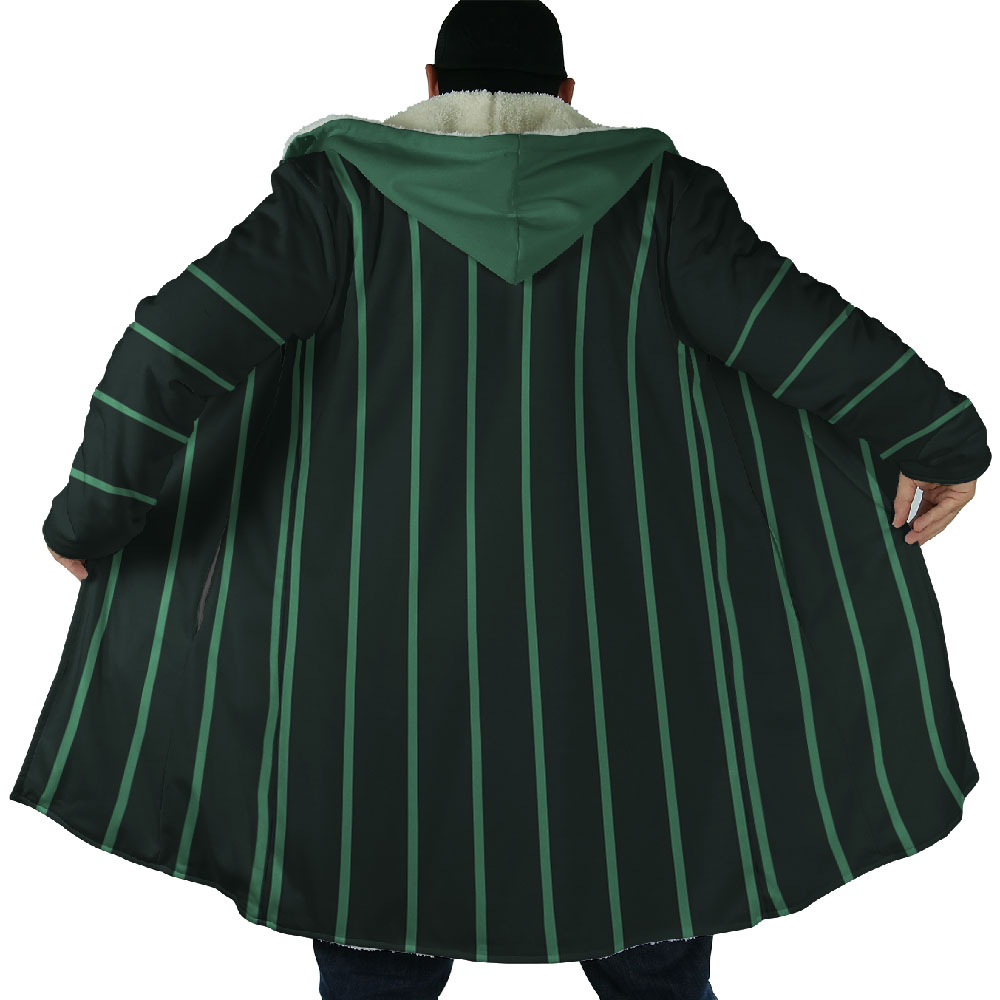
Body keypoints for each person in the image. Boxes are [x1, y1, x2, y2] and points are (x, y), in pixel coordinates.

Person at [12, 1, 988, 999]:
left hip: (372, 679)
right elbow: (800, 334)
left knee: (371, 929)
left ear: (432, 86)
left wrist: (94, 517)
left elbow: (170, 348)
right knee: (651, 928)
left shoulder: (336, 201)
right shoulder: (659, 200)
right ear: (566, 94)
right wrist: (943, 439)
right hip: (621, 682)